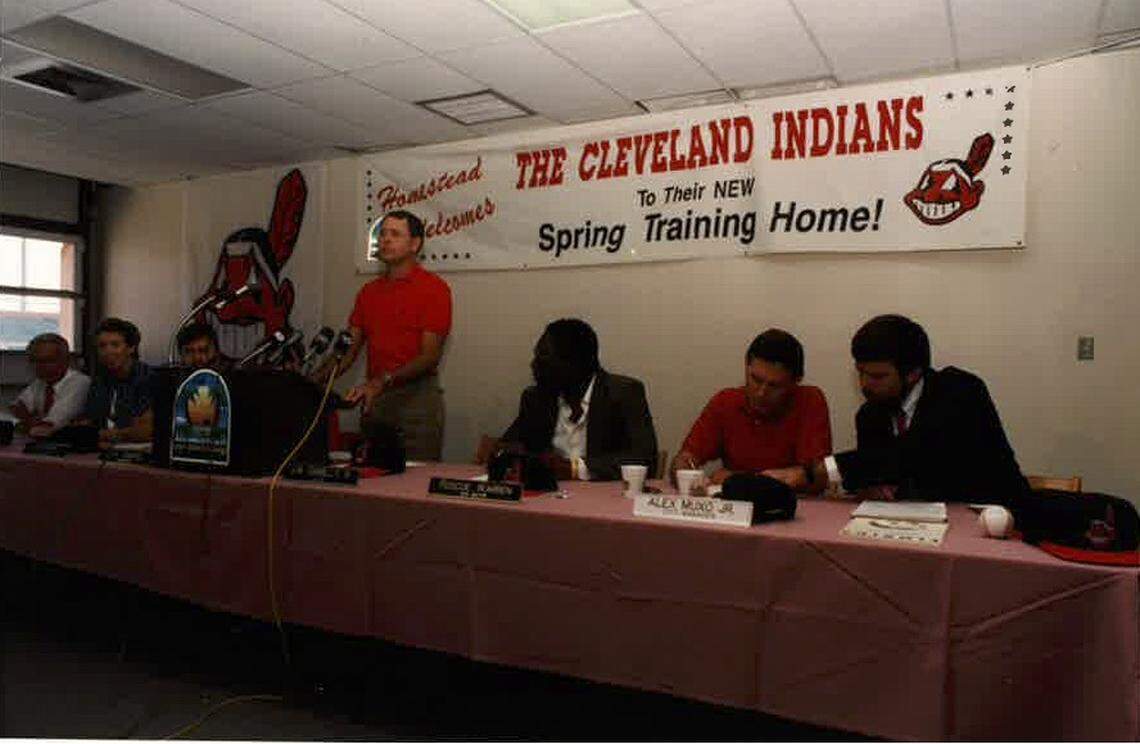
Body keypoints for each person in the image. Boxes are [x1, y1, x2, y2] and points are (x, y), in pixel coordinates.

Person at [763, 314, 1030, 505]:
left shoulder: (960, 391)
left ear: (913, 373)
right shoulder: (870, 415)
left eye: (878, 376)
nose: (864, 384)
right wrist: (872, 486)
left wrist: (810, 473)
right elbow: (876, 476)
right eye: (860, 372)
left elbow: (907, 455)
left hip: (995, 522)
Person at [323, 210, 452, 460]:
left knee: (415, 484)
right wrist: (313, 381)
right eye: (382, 234)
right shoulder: (368, 292)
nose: (386, 240)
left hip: (416, 402)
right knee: (372, 479)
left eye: (395, 234)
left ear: (415, 244)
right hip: (376, 401)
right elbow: (348, 351)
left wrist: (382, 381)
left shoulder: (434, 289)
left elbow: (429, 357)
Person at [499, 318, 657, 482]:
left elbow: (644, 459)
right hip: (546, 497)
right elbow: (509, 445)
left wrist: (575, 469)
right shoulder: (536, 398)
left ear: (574, 362)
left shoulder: (623, 393)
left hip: (604, 500)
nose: (534, 364)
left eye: (544, 357)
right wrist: (512, 454)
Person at [671, 329, 831, 486]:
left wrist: (737, 481)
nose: (761, 393)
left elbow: (818, 478)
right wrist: (685, 473)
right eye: (755, 379)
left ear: (796, 381)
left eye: (774, 386)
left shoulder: (809, 401)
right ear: (746, 368)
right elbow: (683, 460)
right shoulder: (726, 402)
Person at [80, 317, 155, 446]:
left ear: (131, 348)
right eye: (102, 346)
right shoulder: (100, 380)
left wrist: (105, 434)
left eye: (115, 345)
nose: (108, 352)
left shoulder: (149, 379)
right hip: (104, 449)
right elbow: (91, 421)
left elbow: (146, 431)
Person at [8, 333, 91, 438]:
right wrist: (31, 422)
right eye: (35, 361)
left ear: (66, 360)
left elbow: (48, 426)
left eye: (48, 360)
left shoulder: (79, 383)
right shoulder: (41, 382)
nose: (40, 366)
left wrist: (30, 421)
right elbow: (16, 408)